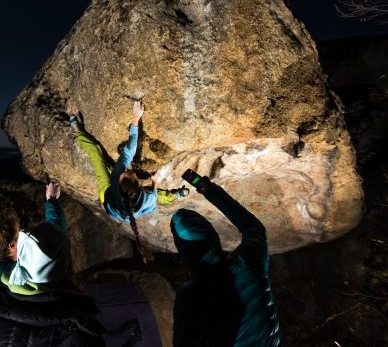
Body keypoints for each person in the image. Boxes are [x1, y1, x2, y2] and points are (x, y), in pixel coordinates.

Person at [0, 183, 140, 346]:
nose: (23, 232)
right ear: (11, 246)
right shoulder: (44, 266)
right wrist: (51, 202)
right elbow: (54, 238)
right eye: (19, 231)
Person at [170, 172, 282, 347]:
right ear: (214, 237)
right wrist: (208, 189)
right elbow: (253, 227)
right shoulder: (248, 262)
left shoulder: (189, 297)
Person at [70, 100, 188, 262]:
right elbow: (151, 189)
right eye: (127, 172)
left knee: (96, 152)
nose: (125, 169)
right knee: (158, 196)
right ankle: (176, 195)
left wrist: (135, 118)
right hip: (122, 204)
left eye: (124, 172)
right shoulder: (146, 198)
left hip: (107, 198)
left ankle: (77, 130)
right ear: (139, 186)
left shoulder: (116, 180)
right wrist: (155, 181)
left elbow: (129, 150)